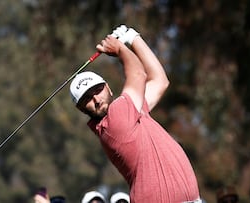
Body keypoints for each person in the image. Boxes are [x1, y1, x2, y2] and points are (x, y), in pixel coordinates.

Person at [69, 25, 200, 202]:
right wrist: (120, 49)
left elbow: (160, 81)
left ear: (108, 88)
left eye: (98, 90)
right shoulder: (114, 122)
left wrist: (133, 38)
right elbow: (138, 73)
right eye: (87, 99)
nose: (97, 99)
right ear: (81, 109)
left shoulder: (132, 113)